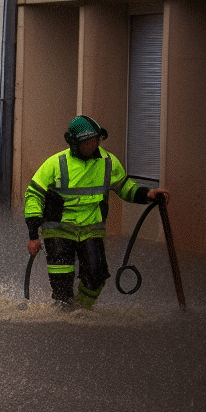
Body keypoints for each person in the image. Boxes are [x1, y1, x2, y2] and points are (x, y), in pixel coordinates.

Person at [25, 116, 167, 310]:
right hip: (58, 229)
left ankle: (82, 311)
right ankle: (63, 312)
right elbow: (33, 195)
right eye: (87, 142)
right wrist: (33, 234)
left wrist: (148, 193)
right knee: (62, 279)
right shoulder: (55, 164)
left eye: (95, 140)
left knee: (96, 274)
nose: (92, 145)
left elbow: (125, 187)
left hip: (91, 229)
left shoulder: (108, 162)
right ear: (75, 143)